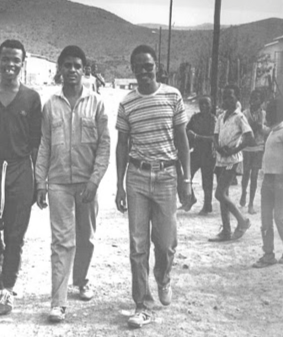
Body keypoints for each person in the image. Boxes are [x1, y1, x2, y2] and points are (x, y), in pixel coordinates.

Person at [115, 45, 191, 329]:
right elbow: (122, 145)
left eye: (148, 66)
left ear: (156, 66)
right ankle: (142, 304)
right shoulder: (127, 103)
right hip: (136, 176)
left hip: (167, 177)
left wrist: (185, 180)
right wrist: (120, 185)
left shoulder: (173, 96)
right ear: (132, 69)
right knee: (137, 245)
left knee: (166, 242)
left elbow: (182, 140)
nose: (144, 71)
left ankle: (163, 276)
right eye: (138, 66)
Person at [35, 45, 110, 323]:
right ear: (60, 70)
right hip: (57, 183)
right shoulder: (51, 104)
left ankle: (81, 279)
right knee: (61, 242)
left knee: (86, 238)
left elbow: (104, 145)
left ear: (85, 69)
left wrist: (95, 179)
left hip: (86, 184)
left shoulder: (97, 103)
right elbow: (44, 144)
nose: (72, 70)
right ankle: (59, 302)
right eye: (67, 65)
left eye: (78, 65)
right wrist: (40, 181)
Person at [0, 39, 42, 315]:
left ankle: (7, 290)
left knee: (16, 233)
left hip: (20, 170)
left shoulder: (31, 98)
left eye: (16, 60)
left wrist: (38, 180)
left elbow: (36, 142)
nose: (11, 64)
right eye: (6, 59)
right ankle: (1, 258)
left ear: (22, 63)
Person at [209, 84, 255, 242]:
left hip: (232, 160)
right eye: (225, 96)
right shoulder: (221, 116)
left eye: (230, 97)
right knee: (224, 196)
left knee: (219, 193)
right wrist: (217, 146)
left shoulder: (239, 117)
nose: (227, 100)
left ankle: (243, 221)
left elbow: (250, 138)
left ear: (237, 99)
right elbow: (215, 135)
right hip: (220, 159)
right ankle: (226, 230)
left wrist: (233, 151)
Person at [252, 98, 283, 268]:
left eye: (270, 111)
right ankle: (268, 253)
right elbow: (262, 129)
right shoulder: (273, 131)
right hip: (268, 179)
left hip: (279, 180)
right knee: (265, 219)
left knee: (279, 218)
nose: (267, 114)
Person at [179, 96, 217, 214]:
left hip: (208, 154)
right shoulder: (195, 118)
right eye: (201, 104)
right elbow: (186, 131)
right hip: (196, 152)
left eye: (207, 104)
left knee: (207, 181)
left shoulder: (214, 120)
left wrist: (196, 137)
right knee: (185, 176)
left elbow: (214, 138)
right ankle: (190, 199)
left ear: (211, 105)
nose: (204, 106)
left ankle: (207, 205)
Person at [240, 89, 269, 214]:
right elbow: (242, 128)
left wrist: (260, 127)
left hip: (258, 147)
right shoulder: (244, 113)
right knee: (246, 173)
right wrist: (251, 127)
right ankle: (243, 193)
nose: (254, 101)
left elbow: (268, 130)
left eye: (257, 99)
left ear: (261, 101)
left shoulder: (264, 114)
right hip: (247, 147)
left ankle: (251, 203)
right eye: (252, 98)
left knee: (254, 175)